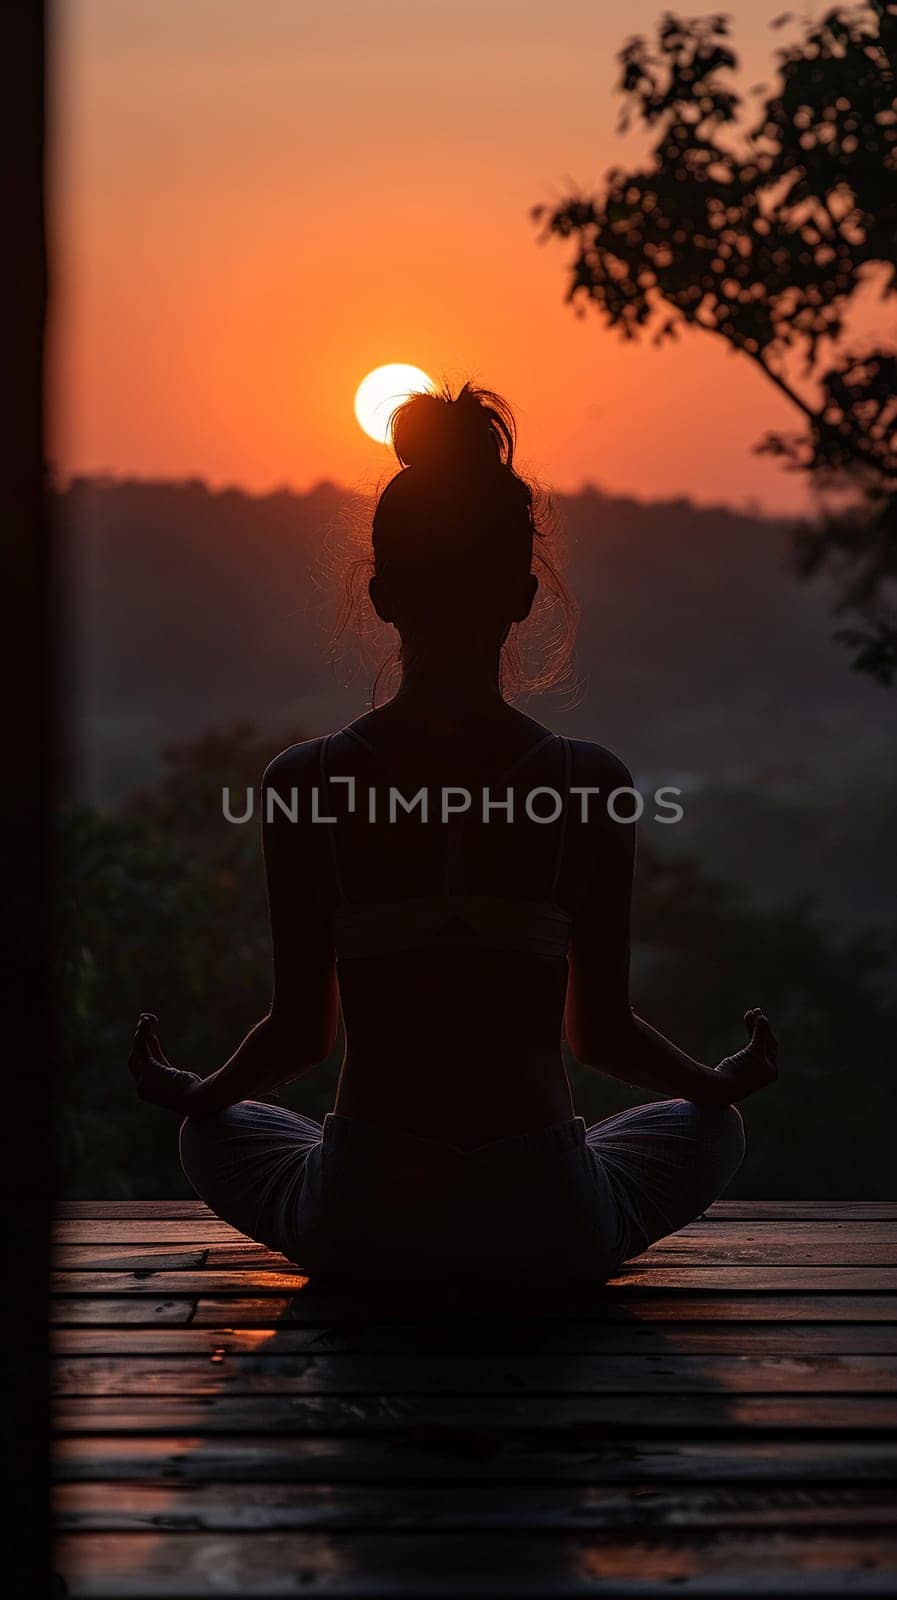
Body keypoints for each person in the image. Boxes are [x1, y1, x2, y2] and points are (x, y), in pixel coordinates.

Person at [129, 383, 778, 1288]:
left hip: (366, 1212)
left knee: (216, 1131)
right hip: (544, 1212)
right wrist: (718, 1084)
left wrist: (194, 1094)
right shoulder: (588, 784)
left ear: (383, 595)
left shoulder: (304, 782)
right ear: (520, 597)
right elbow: (603, 1037)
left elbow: (295, 1037)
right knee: (711, 1127)